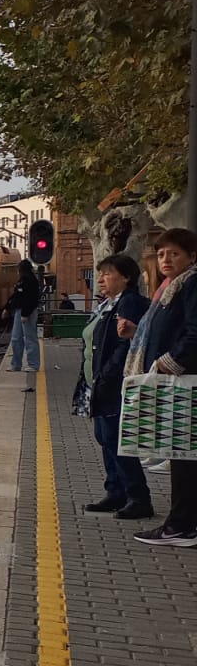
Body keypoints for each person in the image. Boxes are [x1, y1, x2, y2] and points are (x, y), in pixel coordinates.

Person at [122, 227, 197, 546]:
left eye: (174, 253)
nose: (166, 259)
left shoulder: (191, 283)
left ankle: (181, 527)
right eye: (162, 253)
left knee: (185, 459)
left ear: (191, 257)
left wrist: (170, 360)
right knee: (182, 457)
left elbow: (195, 333)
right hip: (179, 380)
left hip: (183, 382)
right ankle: (183, 524)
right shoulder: (170, 286)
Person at [83, 255, 151, 519]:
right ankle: (116, 492)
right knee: (105, 438)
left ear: (126, 277)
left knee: (116, 439)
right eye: (100, 274)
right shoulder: (110, 303)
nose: (100, 279)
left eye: (107, 274)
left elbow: (126, 344)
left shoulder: (129, 302)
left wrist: (109, 373)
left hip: (114, 384)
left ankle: (138, 497)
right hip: (101, 382)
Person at [4, 260, 41, 372]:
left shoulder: (30, 281)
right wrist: (7, 307)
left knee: (30, 338)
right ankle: (16, 364)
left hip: (27, 312)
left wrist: (25, 314)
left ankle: (33, 364)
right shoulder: (22, 281)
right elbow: (16, 296)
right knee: (16, 338)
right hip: (19, 311)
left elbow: (31, 299)